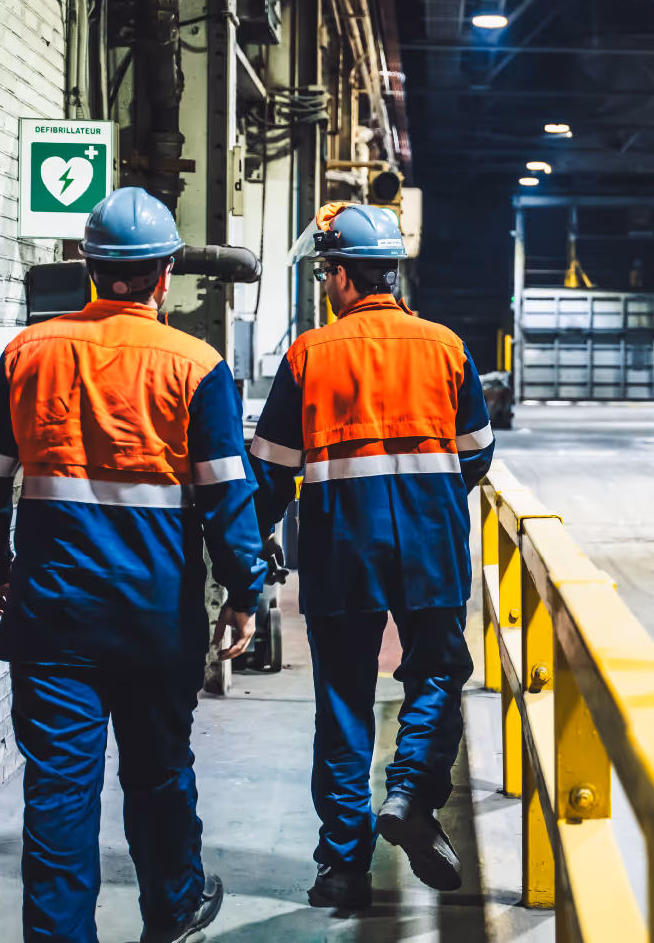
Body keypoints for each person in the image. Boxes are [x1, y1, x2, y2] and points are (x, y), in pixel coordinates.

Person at [0, 187, 267, 943]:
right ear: (163, 276)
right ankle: (175, 905)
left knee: (59, 789)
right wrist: (244, 592)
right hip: (155, 619)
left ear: (90, 268)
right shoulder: (197, 365)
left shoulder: (30, 352)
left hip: (53, 618)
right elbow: (228, 498)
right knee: (158, 771)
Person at [249, 203, 493, 911]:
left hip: (339, 547)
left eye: (327, 271)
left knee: (345, 701)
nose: (326, 283)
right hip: (429, 543)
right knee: (437, 671)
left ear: (345, 274)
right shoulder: (446, 347)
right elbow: (476, 455)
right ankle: (411, 792)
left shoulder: (308, 355)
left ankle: (341, 867)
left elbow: (269, 472)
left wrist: (239, 559)